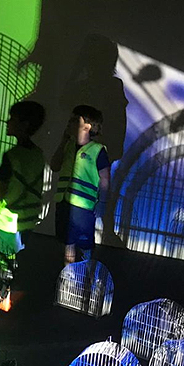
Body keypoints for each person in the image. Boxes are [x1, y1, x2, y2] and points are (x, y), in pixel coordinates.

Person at [0, 101, 47, 310]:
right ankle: (6, 291)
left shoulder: (12, 156)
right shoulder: (38, 154)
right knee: (13, 254)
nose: (7, 122)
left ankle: (5, 289)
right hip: (28, 218)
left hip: (8, 218)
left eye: (12, 119)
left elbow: (1, 190)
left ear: (24, 125)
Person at [50, 105, 110, 265]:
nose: (69, 123)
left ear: (87, 127)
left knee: (85, 243)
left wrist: (102, 202)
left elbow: (105, 178)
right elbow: (54, 166)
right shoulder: (68, 145)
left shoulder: (97, 150)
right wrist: (63, 141)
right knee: (68, 242)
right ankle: (69, 273)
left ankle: (85, 271)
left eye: (75, 120)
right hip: (64, 202)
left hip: (84, 207)